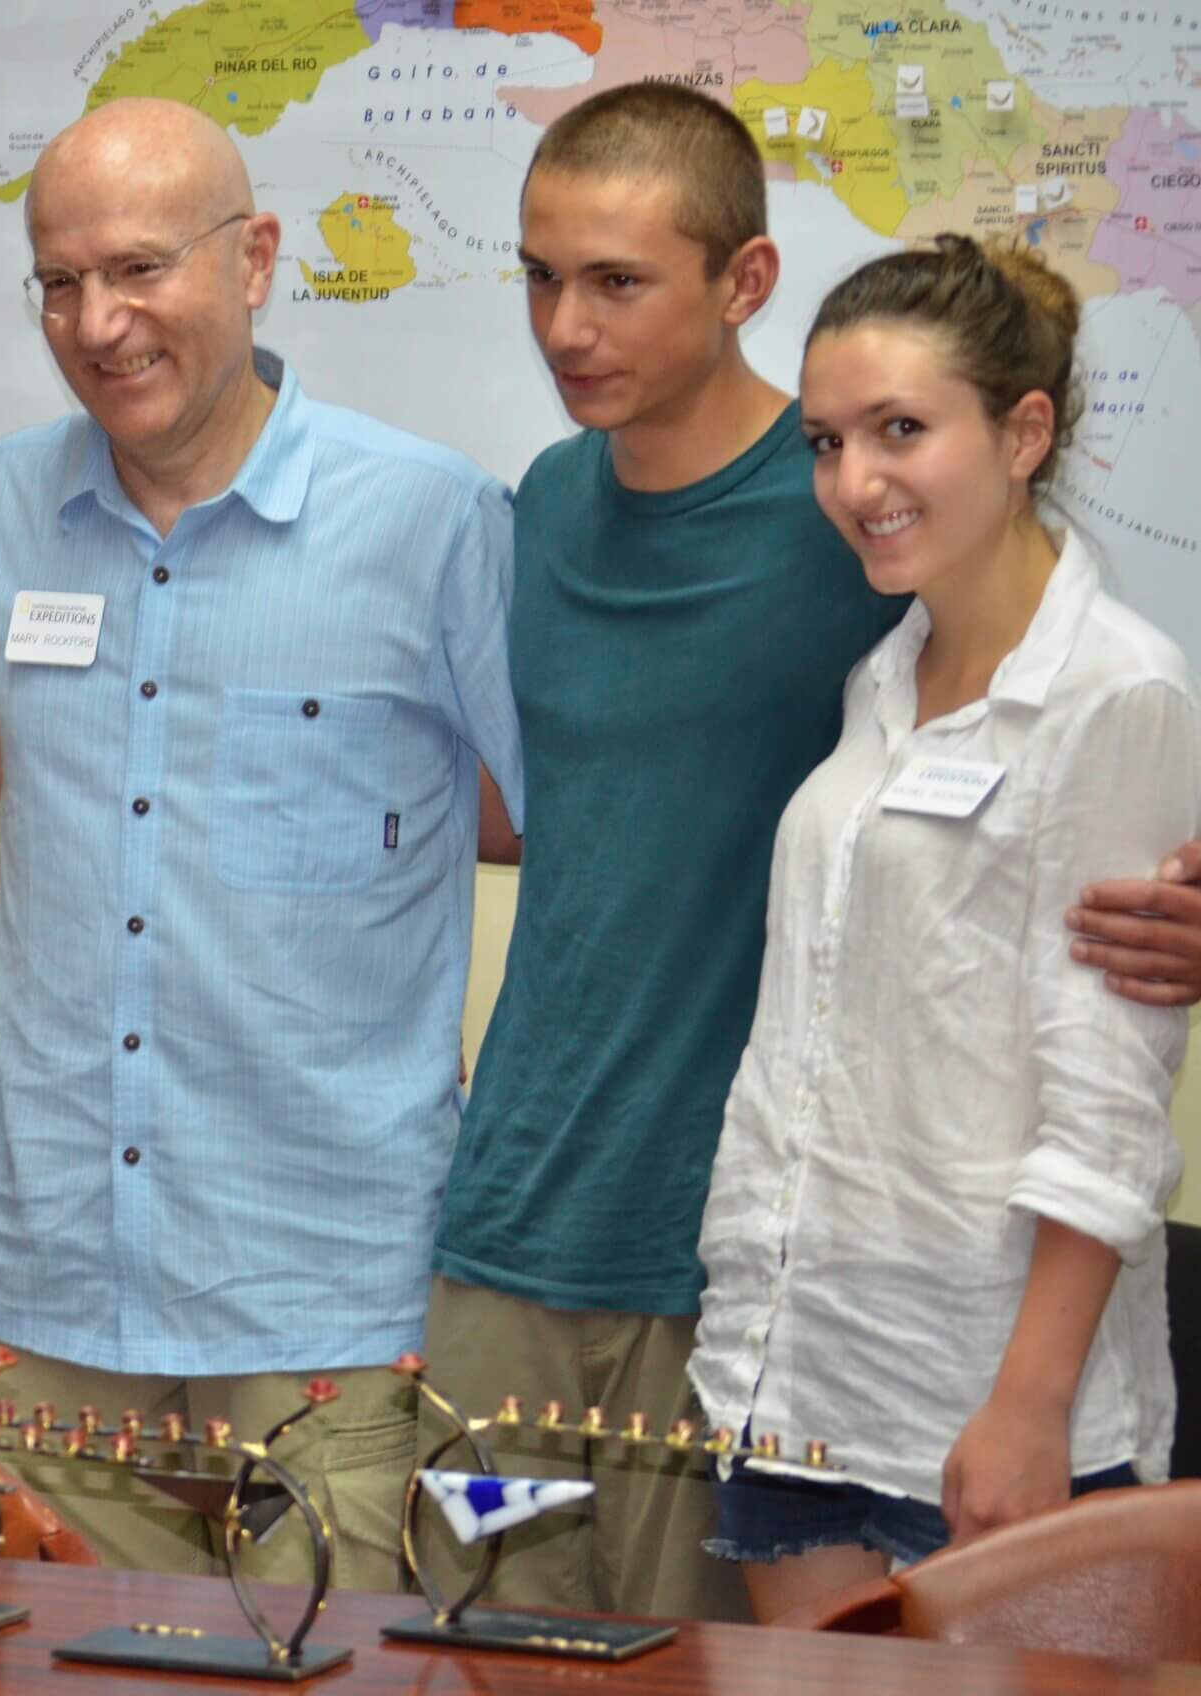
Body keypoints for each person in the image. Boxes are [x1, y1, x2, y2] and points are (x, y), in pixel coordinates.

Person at [423, 82, 1201, 1623]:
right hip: (560, 1241)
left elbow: (1083, 798)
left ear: (745, 282)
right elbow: (562, 807)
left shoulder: (875, 545)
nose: (568, 326)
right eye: (541, 277)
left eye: (619, 280)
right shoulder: (564, 511)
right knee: (471, 1644)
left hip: (748, 1280)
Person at [0, 97, 523, 1586]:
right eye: (60, 281)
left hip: (321, 1287)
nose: (98, 323)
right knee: (51, 1675)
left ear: (255, 257)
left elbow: (559, 827)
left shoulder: (432, 519)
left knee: (335, 1673)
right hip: (57, 1273)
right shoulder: (1, 507)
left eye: (140, 268)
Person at [692, 235, 1194, 1618]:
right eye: (826, 442)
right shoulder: (885, 674)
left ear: (1023, 433)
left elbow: (1108, 1100)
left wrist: (1028, 1406)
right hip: (799, 1369)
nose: (855, 482)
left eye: (901, 430)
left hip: (983, 1392)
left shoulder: (1115, 693)